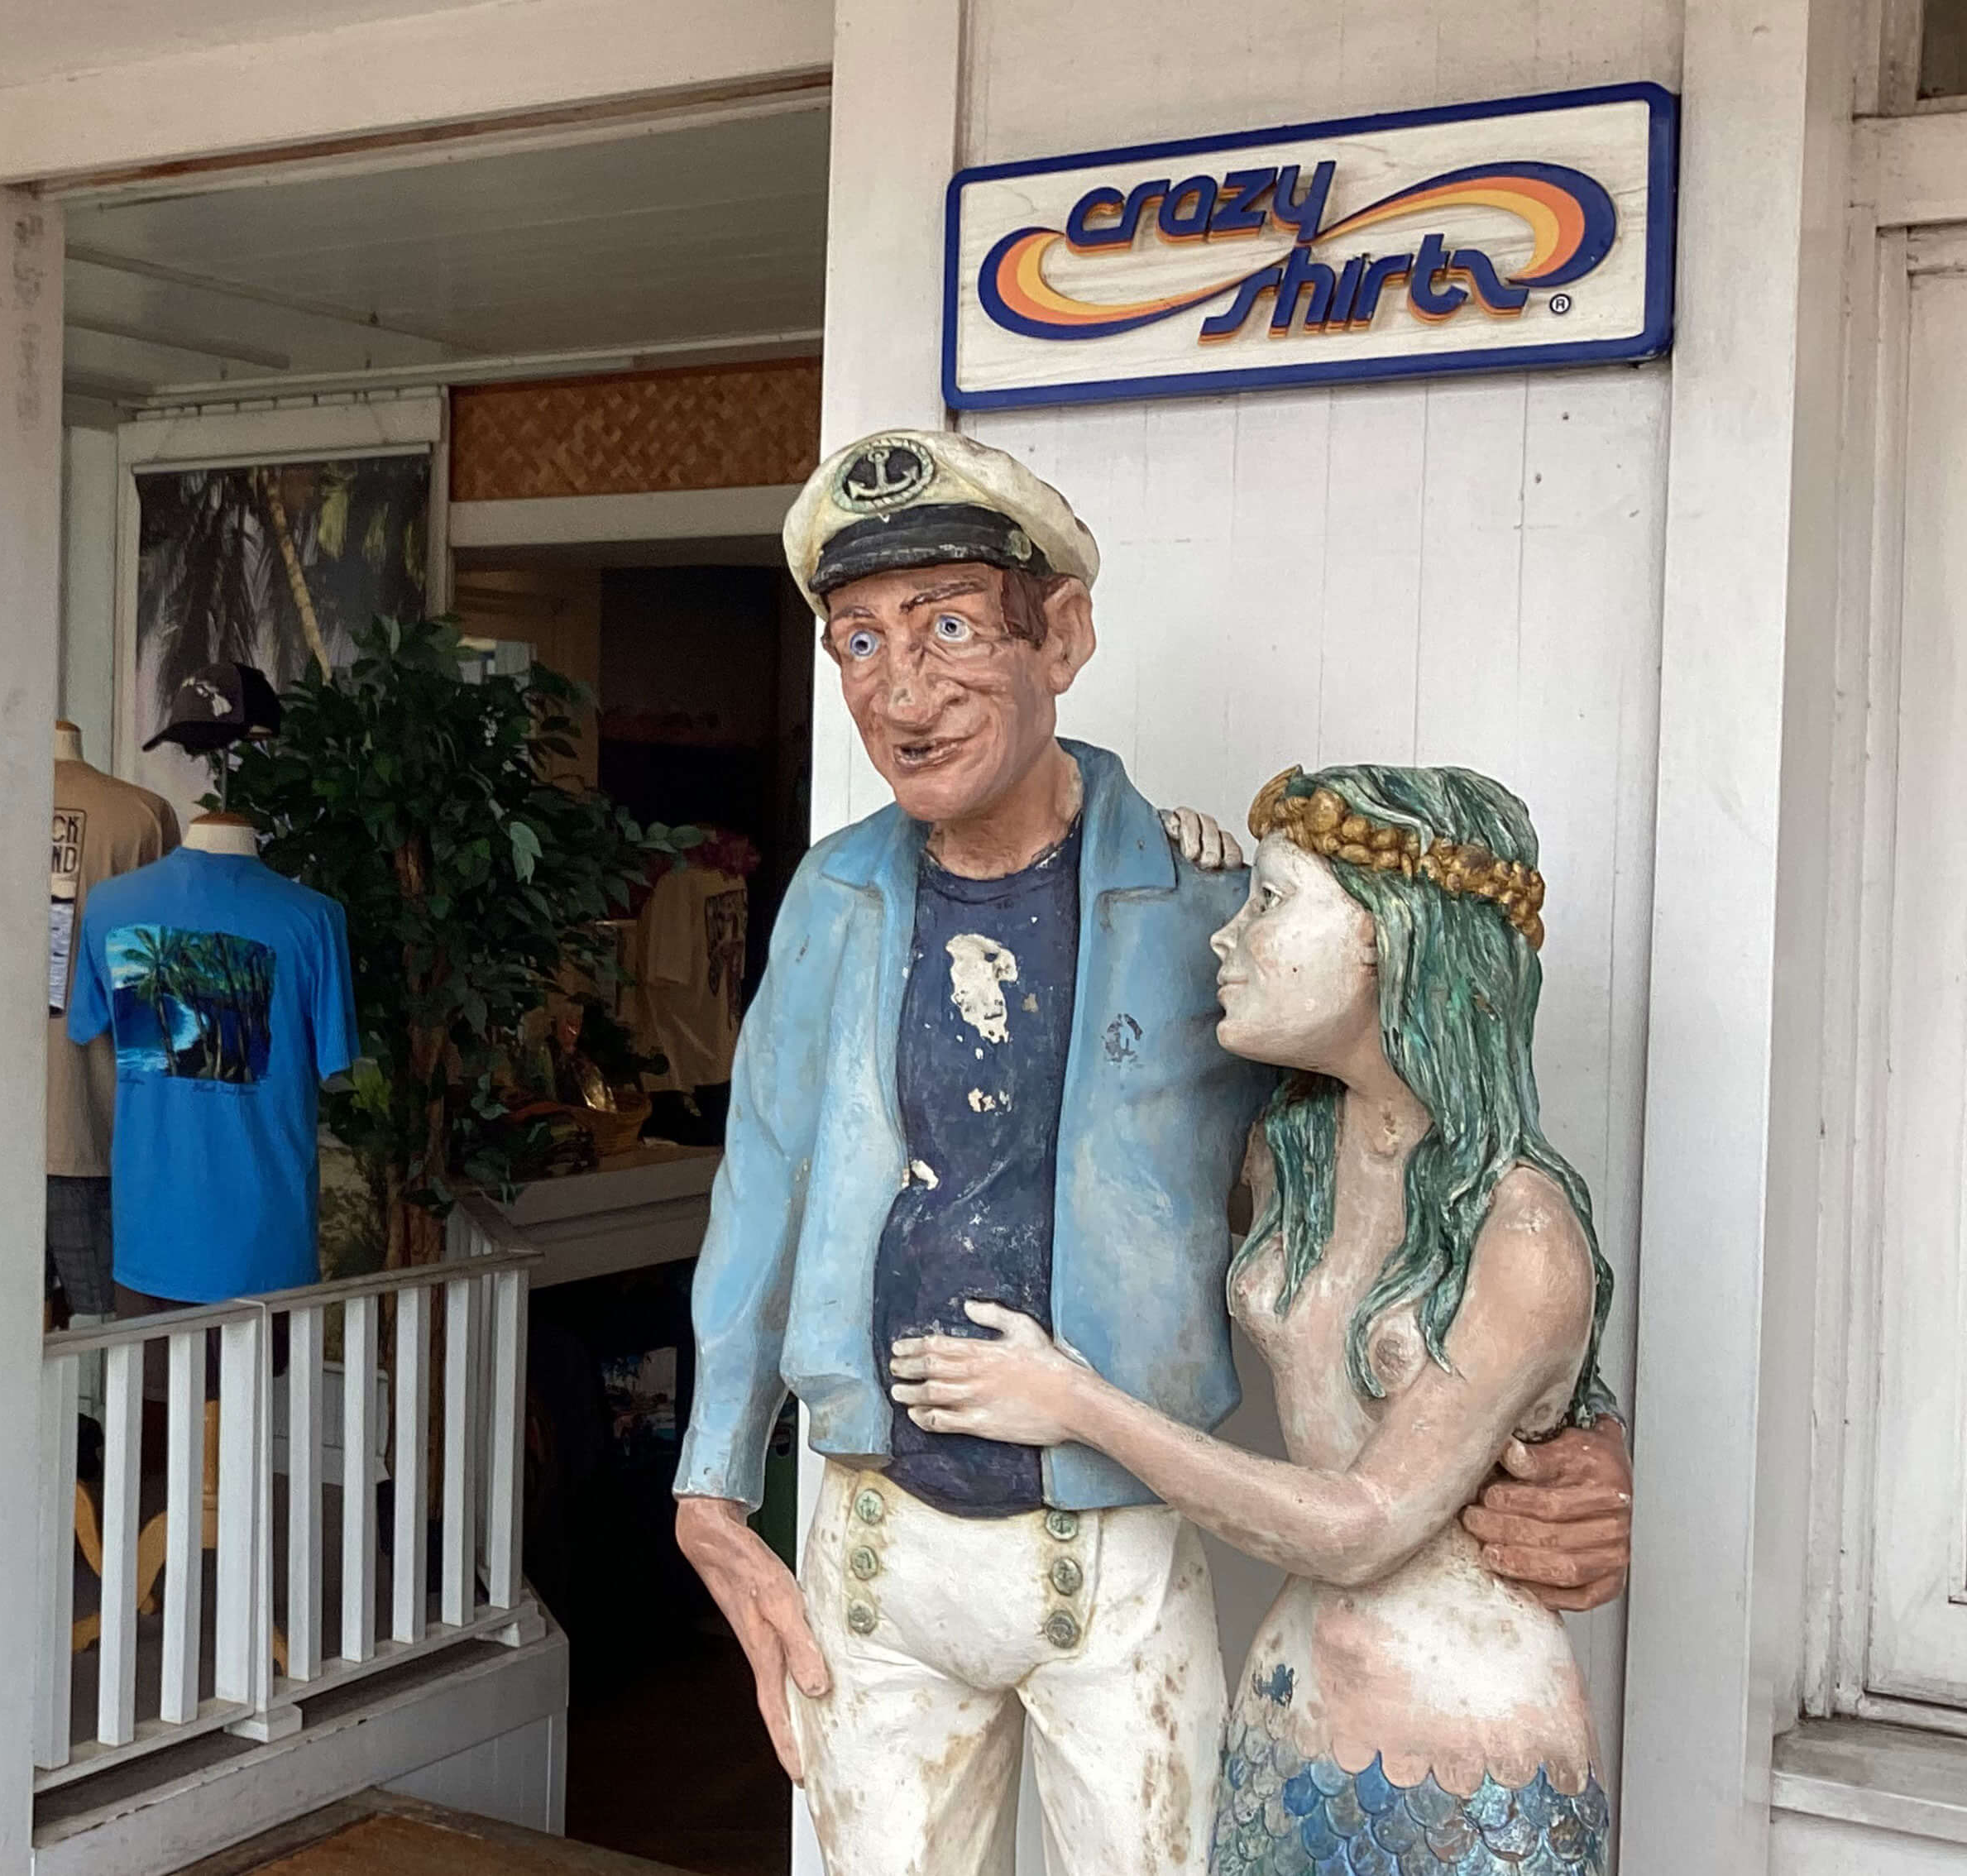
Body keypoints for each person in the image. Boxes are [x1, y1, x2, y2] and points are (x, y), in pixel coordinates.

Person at [672, 430, 1634, 1876]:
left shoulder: (1215, 912)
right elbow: (762, 1179)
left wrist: (1569, 1434)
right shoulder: (833, 894)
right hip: (876, 1546)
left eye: (946, 626)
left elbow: (1401, 1153)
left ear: (1061, 636)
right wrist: (711, 1488)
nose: (900, 691)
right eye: (857, 641)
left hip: (1107, 1561)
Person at [891, 763, 1615, 1873]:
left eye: (1270, 901)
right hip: (1291, 1710)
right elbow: (1107, 1132)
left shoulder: (1519, 1233)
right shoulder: (1293, 1156)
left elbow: (1364, 1526)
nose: (1228, 938)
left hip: (1465, 1750)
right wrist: (1160, 858)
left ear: (1394, 938)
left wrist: (1072, 1402)